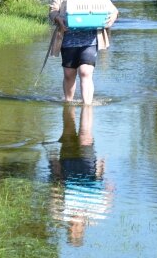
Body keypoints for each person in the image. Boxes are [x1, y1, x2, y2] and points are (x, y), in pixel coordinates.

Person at [49, 0, 118, 104]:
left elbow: (112, 9)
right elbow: (53, 10)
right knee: (69, 74)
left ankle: (87, 105)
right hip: (67, 39)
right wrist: (58, 19)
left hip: (90, 39)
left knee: (86, 72)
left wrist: (112, 18)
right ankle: (68, 102)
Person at [48, 104, 113, 247]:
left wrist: (54, 163)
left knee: (68, 133)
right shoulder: (96, 215)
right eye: (75, 231)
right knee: (85, 135)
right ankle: (86, 105)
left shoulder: (60, 214)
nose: (72, 227)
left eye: (70, 231)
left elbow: (55, 188)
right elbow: (108, 190)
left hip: (67, 165)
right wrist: (103, 167)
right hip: (87, 167)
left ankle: (69, 105)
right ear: (82, 229)